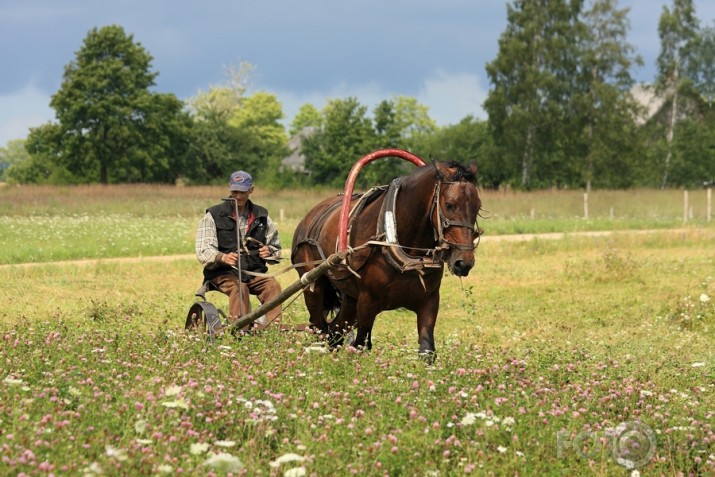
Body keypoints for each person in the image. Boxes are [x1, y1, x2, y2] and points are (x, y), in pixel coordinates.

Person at [195, 170, 283, 331]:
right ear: (229, 188)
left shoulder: (261, 215)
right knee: (239, 288)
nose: (238, 196)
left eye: (242, 192)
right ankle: (240, 330)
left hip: (254, 272)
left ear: (251, 190)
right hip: (223, 273)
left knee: (273, 286)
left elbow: (276, 247)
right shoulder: (214, 215)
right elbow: (203, 250)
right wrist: (222, 257)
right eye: (235, 191)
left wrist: (269, 252)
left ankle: (271, 330)